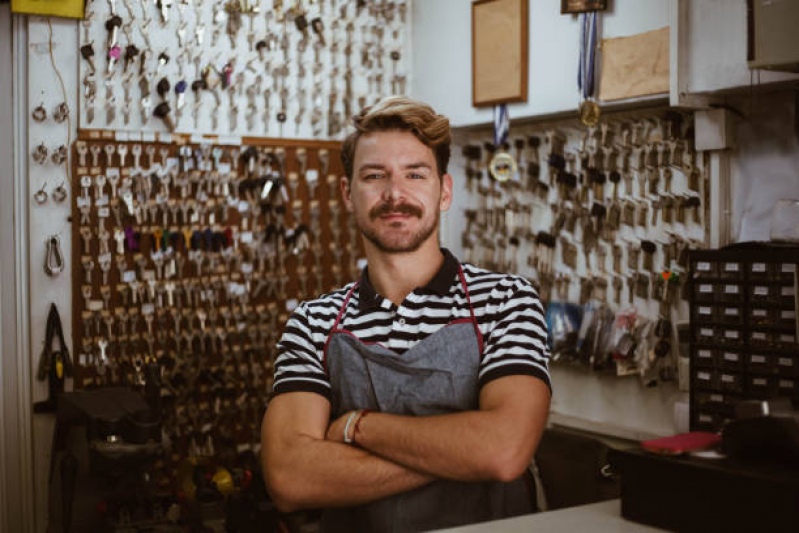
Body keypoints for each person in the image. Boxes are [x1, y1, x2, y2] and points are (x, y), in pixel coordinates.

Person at [261, 96, 551, 532]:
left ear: (444, 191)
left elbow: (503, 451)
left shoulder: (507, 301)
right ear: (347, 194)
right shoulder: (314, 322)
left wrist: (358, 427)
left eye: (415, 174)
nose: (395, 194)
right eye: (375, 176)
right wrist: (464, 452)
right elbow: (290, 478)